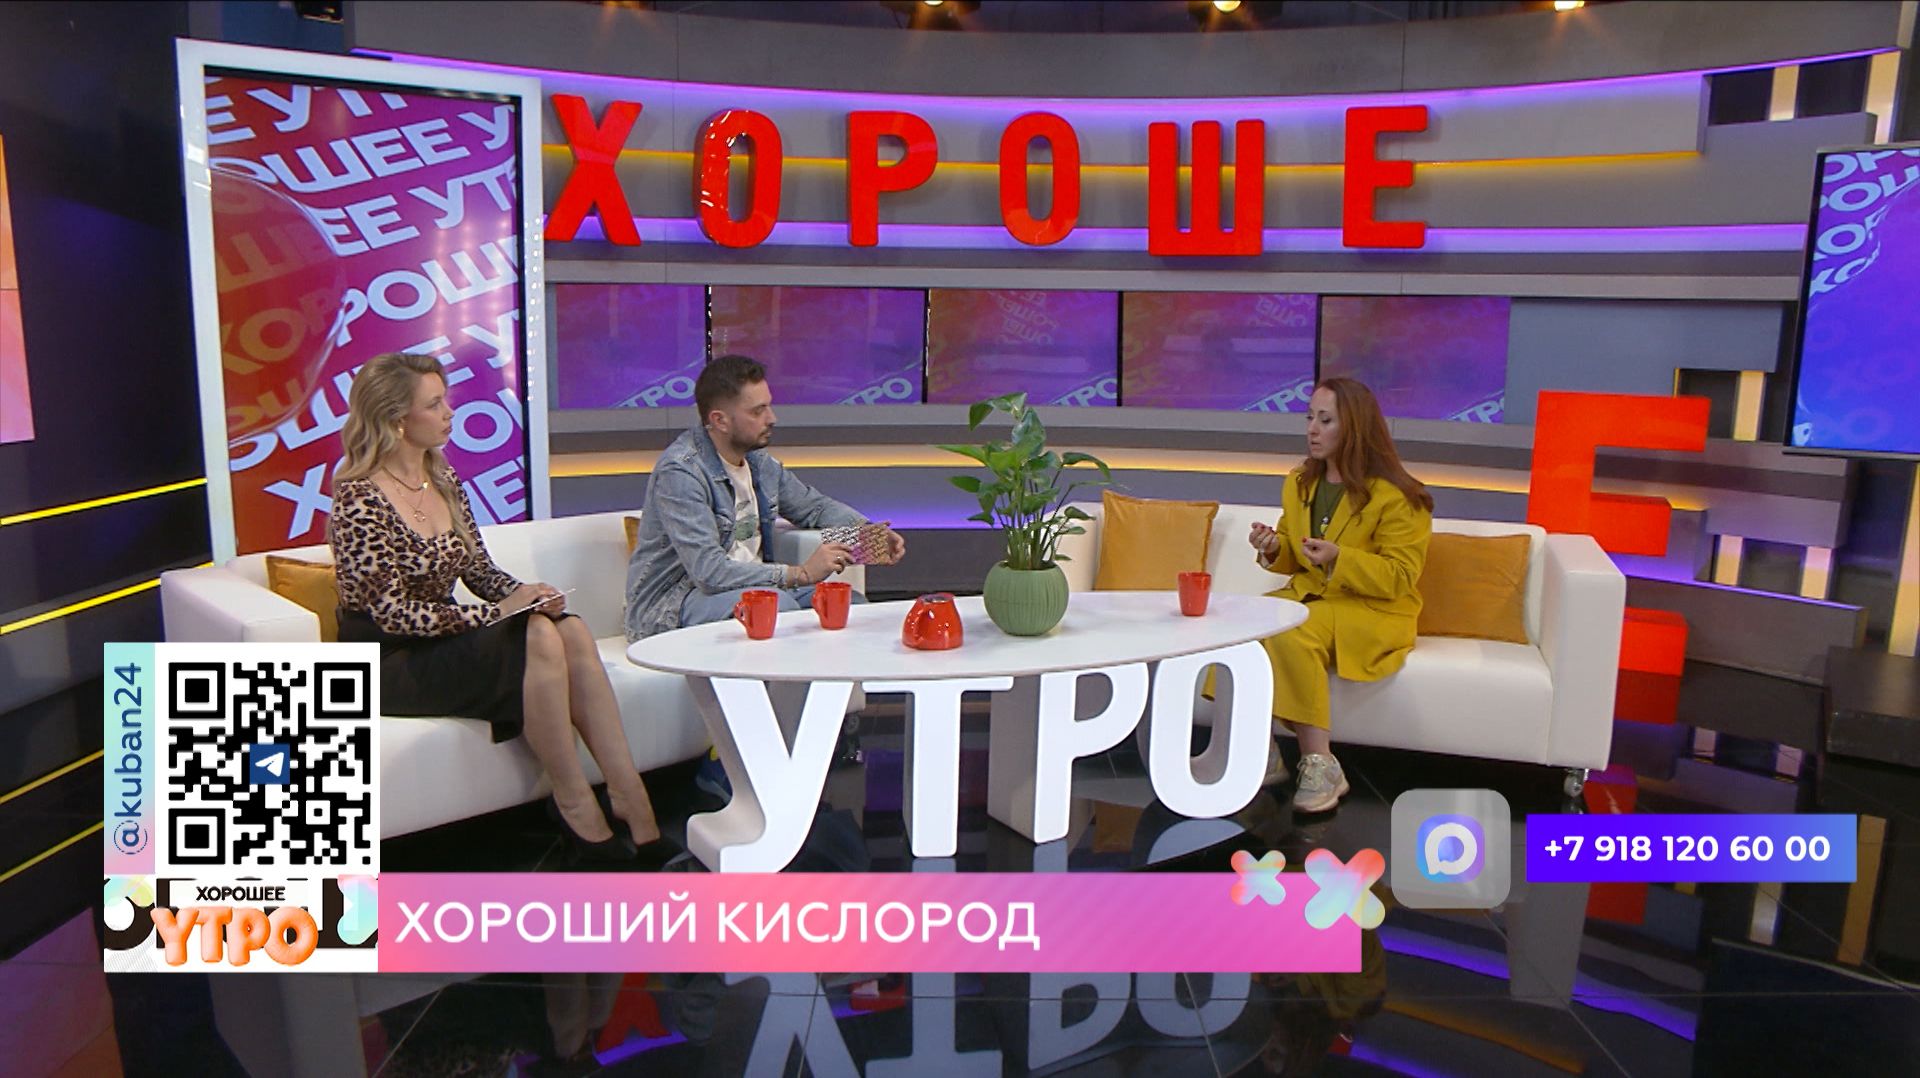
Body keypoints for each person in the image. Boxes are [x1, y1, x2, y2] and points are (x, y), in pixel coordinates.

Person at [329, 352, 661, 865]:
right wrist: (499, 613)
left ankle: (628, 792)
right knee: (537, 637)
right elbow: (391, 613)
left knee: (567, 628)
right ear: (396, 419)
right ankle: (576, 806)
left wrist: (530, 593)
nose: (449, 413)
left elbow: (479, 571)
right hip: (388, 658)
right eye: (434, 404)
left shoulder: (441, 478)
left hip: (442, 638)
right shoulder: (358, 498)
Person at [624, 354, 906, 797]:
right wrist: (800, 573)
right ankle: (727, 764)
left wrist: (869, 537)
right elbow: (708, 572)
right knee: (782, 607)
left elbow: (814, 508)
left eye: (769, 405)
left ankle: (806, 748)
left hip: (753, 592)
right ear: (719, 420)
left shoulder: (758, 463)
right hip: (675, 603)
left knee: (847, 605)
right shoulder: (682, 472)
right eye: (757, 410)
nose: (771, 418)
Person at [1247, 377, 1433, 813]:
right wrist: (1273, 548)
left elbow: (1400, 576)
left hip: (1373, 609)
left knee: (1294, 631)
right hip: (1315, 597)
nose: (1312, 429)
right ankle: (1260, 750)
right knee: (1242, 626)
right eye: (1309, 417)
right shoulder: (1299, 482)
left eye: (1325, 420)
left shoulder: (1399, 496)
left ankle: (1322, 765)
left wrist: (1339, 559)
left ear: (1354, 427)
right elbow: (1294, 551)